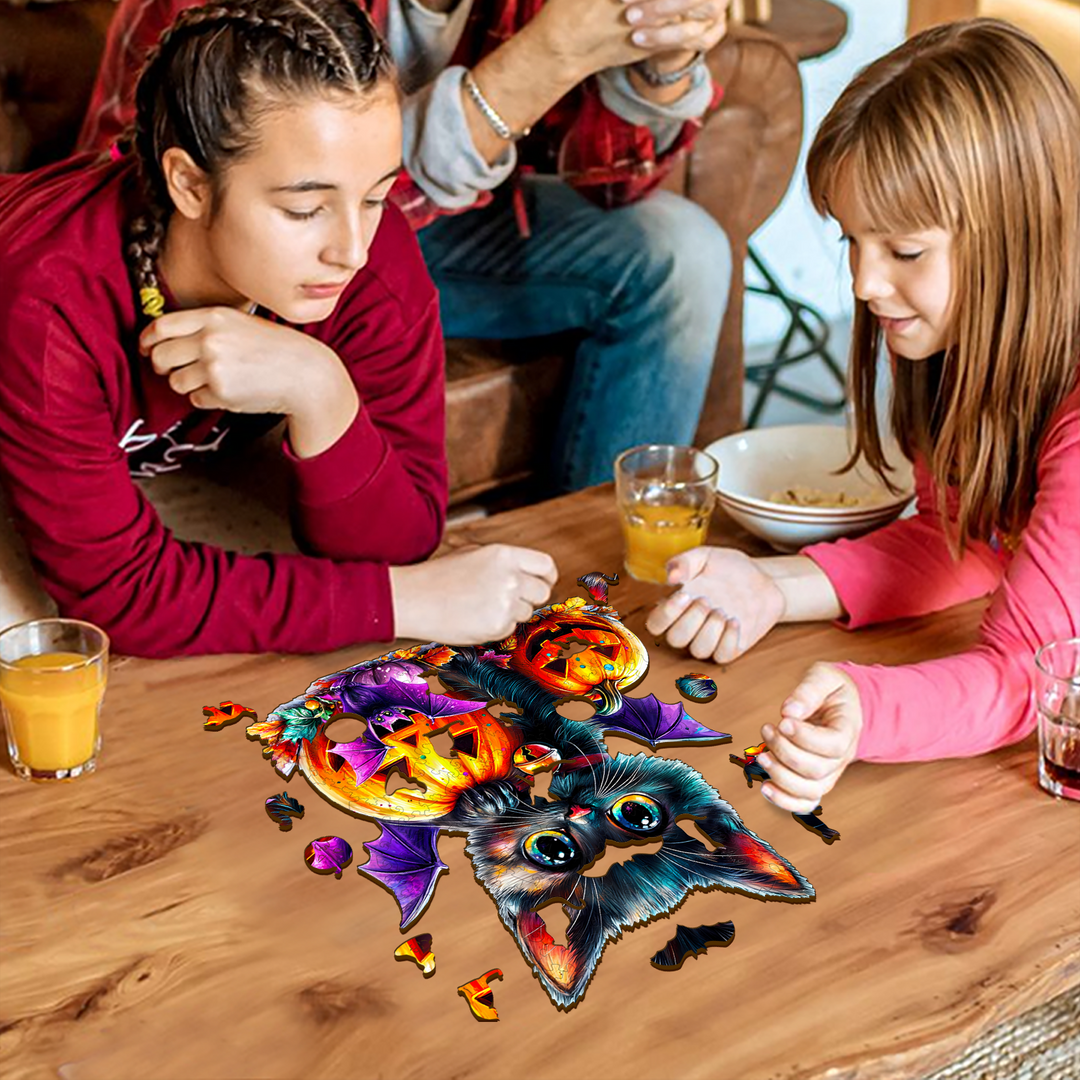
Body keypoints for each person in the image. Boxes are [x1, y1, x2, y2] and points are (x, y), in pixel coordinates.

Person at [0, 0, 557, 657]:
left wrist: (321, 391)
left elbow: (402, 537)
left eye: (375, 196)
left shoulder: (370, 256)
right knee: (34, 650)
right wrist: (408, 600)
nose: (351, 248)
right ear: (189, 184)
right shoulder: (48, 301)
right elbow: (123, 598)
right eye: (305, 209)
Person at [646, 18, 1080, 812]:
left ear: (1023, 236)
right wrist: (773, 586)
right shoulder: (966, 347)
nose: (862, 283)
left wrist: (869, 708)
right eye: (852, 240)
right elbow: (965, 537)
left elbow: (1033, 672)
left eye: (904, 251)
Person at [76, 0, 734, 493]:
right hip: (222, 242)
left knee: (681, 251)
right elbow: (214, 204)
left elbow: (617, 187)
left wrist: (660, 62)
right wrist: (546, 58)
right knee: (338, 222)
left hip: (425, 219)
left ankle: (598, 584)